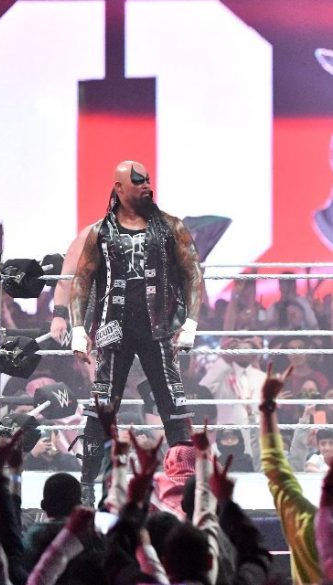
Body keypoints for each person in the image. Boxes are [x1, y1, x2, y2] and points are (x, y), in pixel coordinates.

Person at [68, 160, 205, 504]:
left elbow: (193, 273)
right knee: (101, 407)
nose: (146, 186)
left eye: (147, 180)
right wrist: (78, 327)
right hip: (113, 329)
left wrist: (190, 322)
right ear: (119, 187)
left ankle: (188, 487)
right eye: (137, 181)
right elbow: (82, 280)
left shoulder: (170, 226)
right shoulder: (101, 232)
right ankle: (87, 487)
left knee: (173, 405)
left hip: (159, 328)